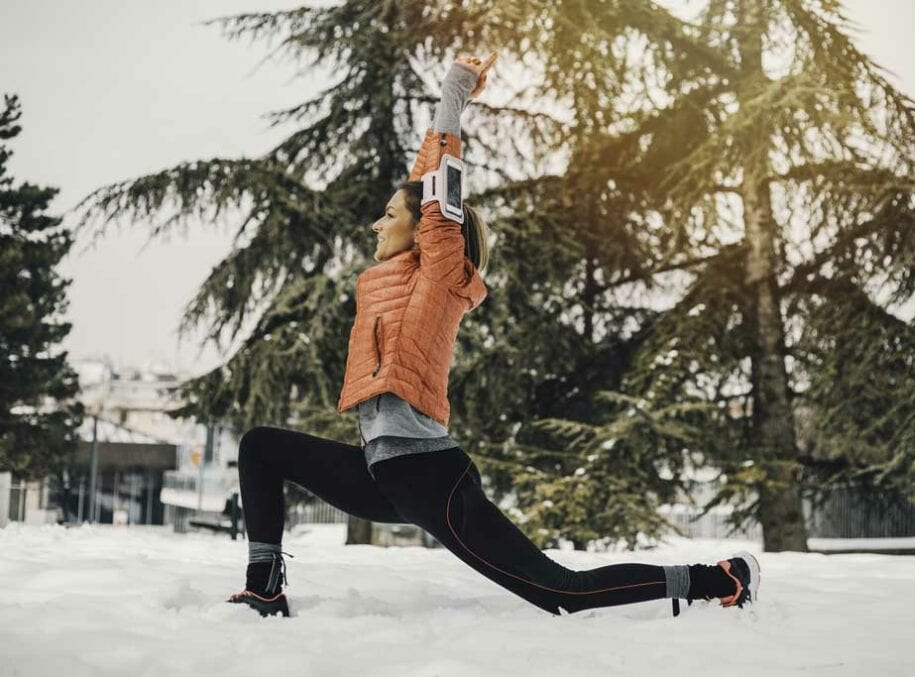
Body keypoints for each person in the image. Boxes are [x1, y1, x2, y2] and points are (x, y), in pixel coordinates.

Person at [226, 52, 760, 619]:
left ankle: (717, 580)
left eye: (389, 215)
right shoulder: (399, 278)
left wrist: (454, 93)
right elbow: (420, 183)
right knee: (261, 446)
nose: (377, 224)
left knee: (558, 591)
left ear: (425, 226)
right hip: (379, 471)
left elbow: (435, 191)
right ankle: (265, 588)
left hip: (428, 477)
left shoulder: (438, 272)